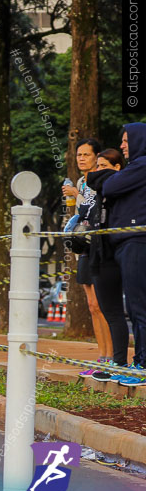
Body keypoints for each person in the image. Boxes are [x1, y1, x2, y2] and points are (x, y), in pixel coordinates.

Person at [88, 124, 146, 385]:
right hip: (122, 243)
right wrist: (106, 178)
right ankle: (135, 363)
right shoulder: (135, 166)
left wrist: (104, 179)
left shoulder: (142, 164)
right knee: (133, 308)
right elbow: (103, 184)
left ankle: (143, 365)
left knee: (138, 306)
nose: (122, 146)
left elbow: (109, 188)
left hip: (136, 241)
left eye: (126, 141)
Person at [62, 138, 113, 376]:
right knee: (92, 306)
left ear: (97, 156)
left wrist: (77, 193)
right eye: (78, 155)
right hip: (83, 246)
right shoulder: (82, 181)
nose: (81, 158)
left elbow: (95, 207)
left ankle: (113, 358)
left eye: (86, 154)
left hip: (100, 246)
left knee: (103, 304)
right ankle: (101, 357)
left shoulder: (101, 179)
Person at [86, 149, 132, 382]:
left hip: (113, 256)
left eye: (103, 165)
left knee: (119, 313)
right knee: (107, 311)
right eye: (97, 166)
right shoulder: (99, 191)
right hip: (96, 255)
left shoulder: (116, 189)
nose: (97, 171)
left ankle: (121, 363)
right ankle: (117, 362)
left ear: (118, 168)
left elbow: (93, 180)